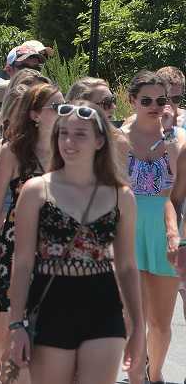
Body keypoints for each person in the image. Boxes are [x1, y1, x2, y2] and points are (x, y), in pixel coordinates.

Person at [5, 100, 145, 384]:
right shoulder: (36, 190)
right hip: (51, 301)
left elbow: (128, 266)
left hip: (103, 302)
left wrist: (139, 326)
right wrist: (16, 323)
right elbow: (21, 263)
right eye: (63, 133)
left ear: (99, 141)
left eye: (80, 134)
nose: (69, 141)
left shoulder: (122, 196)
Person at [118, 71, 185, 384]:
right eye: (147, 100)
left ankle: (154, 374)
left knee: (159, 324)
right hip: (126, 229)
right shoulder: (117, 138)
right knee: (131, 319)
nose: (155, 106)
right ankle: (135, 378)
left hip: (161, 230)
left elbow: (172, 198)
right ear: (132, 101)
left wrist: (174, 233)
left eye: (162, 100)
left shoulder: (176, 142)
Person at [0, 82, 63, 328]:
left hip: (57, 247)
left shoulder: (68, 151)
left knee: (50, 331)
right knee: (12, 331)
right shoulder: (13, 152)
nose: (63, 111)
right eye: (56, 107)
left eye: (65, 106)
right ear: (35, 114)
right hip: (16, 247)